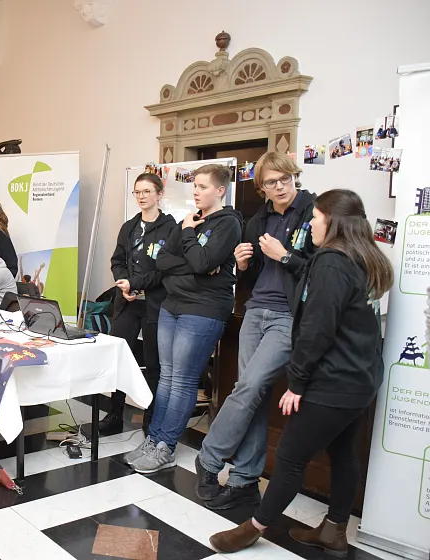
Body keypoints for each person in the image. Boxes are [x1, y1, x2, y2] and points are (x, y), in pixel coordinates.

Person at [209, 189, 393, 557]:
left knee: (291, 457)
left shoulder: (331, 262)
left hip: (333, 382)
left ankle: (252, 529)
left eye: (316, 218)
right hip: (362, 380)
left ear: (333, 223)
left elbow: (317, 329)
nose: (310, 223)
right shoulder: (367, 259)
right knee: (344, 455)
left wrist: (297, 382)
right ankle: (334, 531)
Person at [194, 153, 318, 510]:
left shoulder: (313, 213)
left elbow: (322, 269)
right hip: (254, 311)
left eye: (284, 179)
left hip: (288, 318)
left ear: (295, 177)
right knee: (256, 395)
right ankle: (245, 479)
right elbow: (251, 276)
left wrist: (284, 256)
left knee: (247, 387)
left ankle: (209, 457)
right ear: (261, 186)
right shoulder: (258, 219)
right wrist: (244, 264)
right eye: (270, 182)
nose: (279, 187)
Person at [128, 164, 242, 474]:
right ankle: (154, 439)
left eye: (203, 186)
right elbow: (162, 259)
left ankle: (166, 445)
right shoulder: (189, 220)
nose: (195, 191)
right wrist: (195, 262)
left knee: (182, 381)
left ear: (220, 190)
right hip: (172, 304)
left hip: (203, 309)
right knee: (166, 377)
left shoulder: (227, 224)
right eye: (194, 186)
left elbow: (203, 261)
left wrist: (191, 243)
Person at [99, 173, 176, 439]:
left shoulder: (170, 228)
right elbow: (117, 259)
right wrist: (123, 283)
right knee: (119, 357)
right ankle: (115, 413)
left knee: (154, 363)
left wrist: (135, 283)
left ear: (159, 194)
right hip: (127, 302)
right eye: (137, 192)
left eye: (146, 191)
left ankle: (151, 416)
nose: (141, 197)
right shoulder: (129, 227)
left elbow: (166, 269)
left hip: (155, 304)